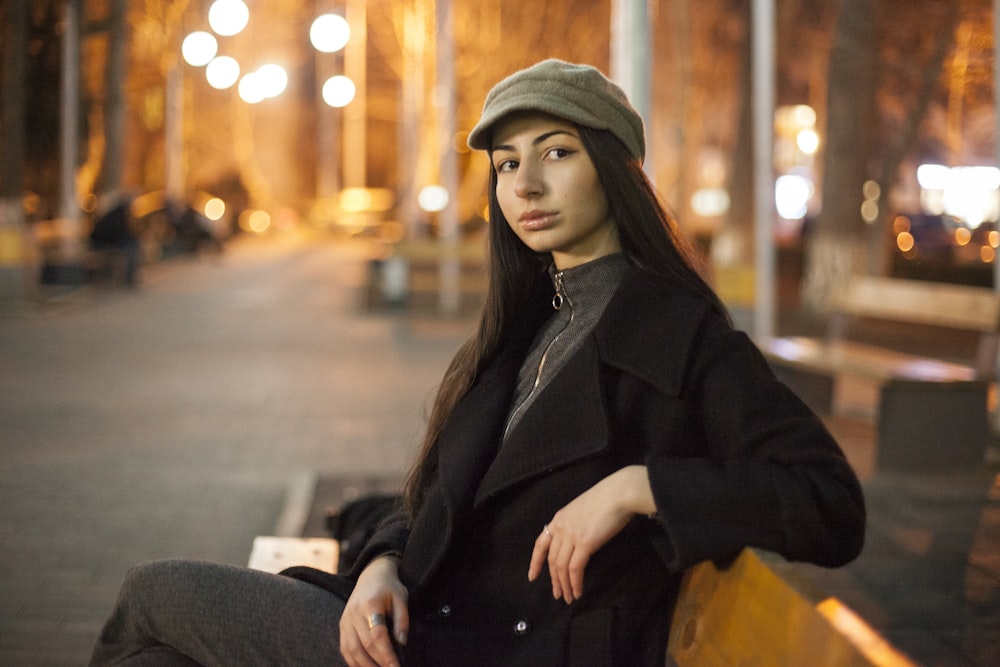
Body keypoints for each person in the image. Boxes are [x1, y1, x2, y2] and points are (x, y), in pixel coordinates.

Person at [90, 59, 865, 667]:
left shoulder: (682, 335)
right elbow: (432, 495)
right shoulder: (530, 322)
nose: (524, 184)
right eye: (505, 164)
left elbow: (830, 501)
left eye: (556, 153)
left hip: (493, 650)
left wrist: (640, 489)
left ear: (613, 167)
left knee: (151, 593)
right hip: (413, 621)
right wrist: (382, 565)